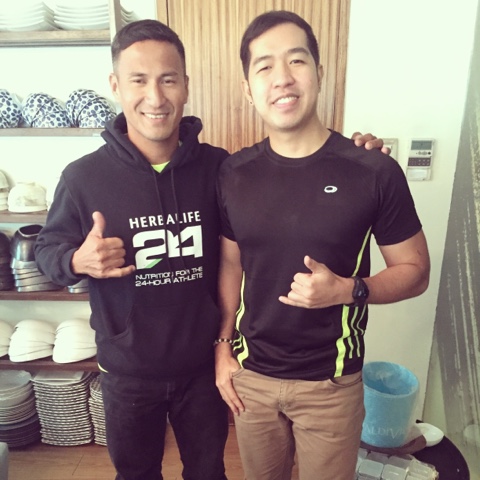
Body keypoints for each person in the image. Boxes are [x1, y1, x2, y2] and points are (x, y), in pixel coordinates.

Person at [33, 18, 390, 480]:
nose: (155, 97)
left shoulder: (220, 169)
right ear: (116, 86)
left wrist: (359, 155)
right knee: (135, 474)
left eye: (168, 80)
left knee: (207, 472)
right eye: (139, 80)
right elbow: (47, 250)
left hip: (204, 366)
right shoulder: (83, 177)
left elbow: (239, 256)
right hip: (128, 370)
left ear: (186, 86)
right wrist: (75, 260)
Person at [215, 10, 430, 480]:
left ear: (319, 72)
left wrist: (348, 290)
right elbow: (230, 265)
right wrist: (222, 347)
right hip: (253, 379)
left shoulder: (372, 170)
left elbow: (416, 271)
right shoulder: (233, 173)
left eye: (297, 60)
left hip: (331, 385)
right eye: (265, 66)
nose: (282, 78)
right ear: (248, 89)